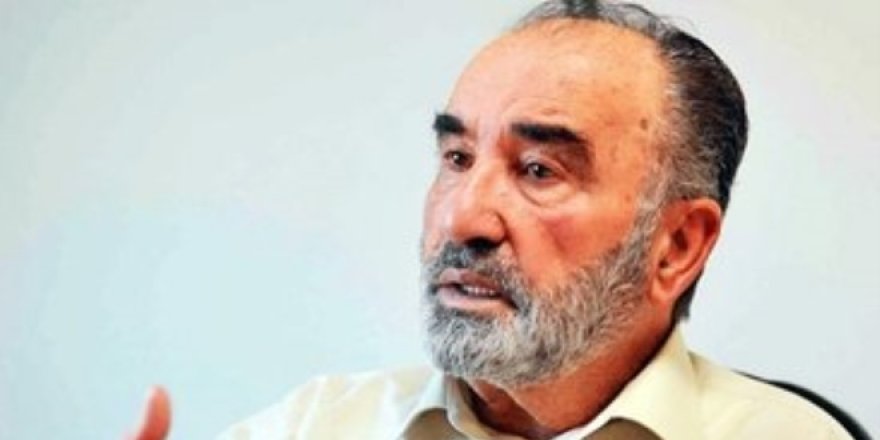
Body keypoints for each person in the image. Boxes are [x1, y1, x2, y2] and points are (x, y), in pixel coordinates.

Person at [129, 1, 860, 439]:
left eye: (538, 170)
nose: (463, 218)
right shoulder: (314, 426)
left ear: (676, 245)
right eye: (456, 158)